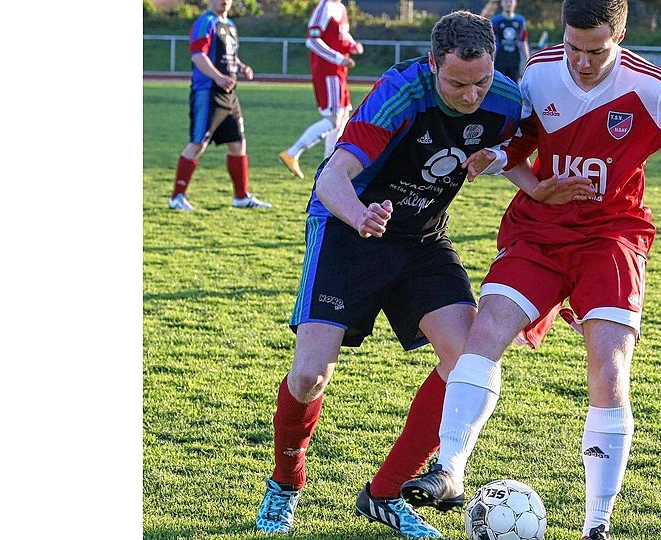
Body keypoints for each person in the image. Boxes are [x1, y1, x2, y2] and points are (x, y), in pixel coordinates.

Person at [254, 10, 594, 538]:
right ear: (433, 63)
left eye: (481, 81)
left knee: (466, 361)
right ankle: (285, 482)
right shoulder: (400, 92)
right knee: (309, 375)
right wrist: (359, 215)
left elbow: (516, 150)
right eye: (457, 83)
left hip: (422, 240)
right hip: (349, 230)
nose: (470, 95)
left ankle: (385, 494)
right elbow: (334, 177)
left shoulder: (505, 98)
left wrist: (533, 185)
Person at [399, 2, 661, 540]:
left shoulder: (649, 85)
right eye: (574, 47)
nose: (580, 61)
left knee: (607, 368)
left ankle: (596, 523)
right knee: (483, 332)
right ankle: (451, 469)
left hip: (611, 236)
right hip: (540, 231)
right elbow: (520, 140)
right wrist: (496, 157)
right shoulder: (540, 71)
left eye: (596, 50)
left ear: (619, 37)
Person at [169, 0, 271, 211]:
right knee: (198, 143)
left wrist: (241, 66)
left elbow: (229, 55)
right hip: (208, 91)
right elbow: (198, 56)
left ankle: (241, 197)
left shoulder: (230, 25)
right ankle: (177, 197)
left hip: (229, 93)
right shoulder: (205, 22)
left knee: (237, 143)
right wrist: (218, 77)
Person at [278, 0, 364, 180]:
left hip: (339, 72)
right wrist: (338, 58)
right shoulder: (324, 7)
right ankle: (292, 153)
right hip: (328, 72)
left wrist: (352, 45)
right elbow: (312, 40)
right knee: (333, 120)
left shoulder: (340, 7)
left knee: (342, 118)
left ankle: (329, 167)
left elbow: (343, 35)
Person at [490, 0, 530, 82]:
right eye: (506, 1)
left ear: (515, 3)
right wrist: (491, 61)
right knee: (499, 85)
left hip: (515, 60)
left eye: (511, 1)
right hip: (500, 60)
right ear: (502, 3)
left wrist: (527, 60)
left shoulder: (520, 20)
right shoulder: (496, 20)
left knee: (514, 85)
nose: (508, 4)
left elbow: (523, 41)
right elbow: (493, 42)